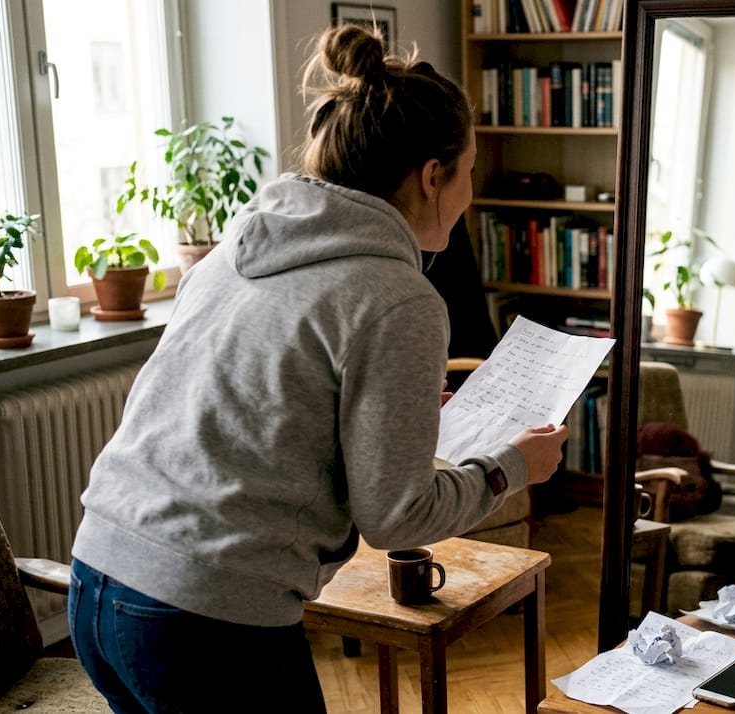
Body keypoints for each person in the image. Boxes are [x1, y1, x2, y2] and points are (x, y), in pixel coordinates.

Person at [68, 24, 568, 712]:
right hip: (203, 615)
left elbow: (260, 409)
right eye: (469, 171)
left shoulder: (234, 247)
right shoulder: (398, 298)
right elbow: (398, 518)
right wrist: (511, 468)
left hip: (97, 577)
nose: (470, 193)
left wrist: (392, 413)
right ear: (432, 176)